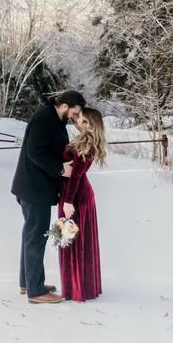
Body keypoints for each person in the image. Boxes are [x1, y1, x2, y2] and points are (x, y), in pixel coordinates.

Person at [10, 90, 86, 304]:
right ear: (64, 105)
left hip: (33, 188)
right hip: (34, 189)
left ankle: (28, 282)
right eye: (74, 112)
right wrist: (60, 169)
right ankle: (36, 291)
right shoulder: (44, 118)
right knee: (36, 237)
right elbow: (35, 152)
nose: (74, 117)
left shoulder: (53, 119)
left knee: (30, 235)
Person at [58, 106, 107, 302]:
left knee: (72, 240)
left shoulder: (87, 144)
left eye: (85, 122)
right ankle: (79, 286)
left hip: (76, 196)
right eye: (80, 120)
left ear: (93, 126)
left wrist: (68, 202)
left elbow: (76, 175)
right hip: (76, 194)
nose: (80, 123)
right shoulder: (83, 140)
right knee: (71, 240)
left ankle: (78, 288)